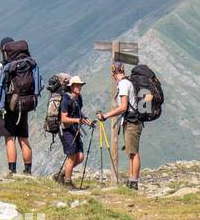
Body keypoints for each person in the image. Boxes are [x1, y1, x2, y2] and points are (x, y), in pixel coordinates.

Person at [0, 37, 37, 174]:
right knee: (23, 137)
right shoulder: (25, 64)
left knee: (9, 137)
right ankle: (28, 171)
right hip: (24, 103)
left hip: (8, 106)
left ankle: (12, 171)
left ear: (1, 50)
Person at [98, 62, 141, 190]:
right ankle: (132, 180)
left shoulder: (123, 84)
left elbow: (123, 107)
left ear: (113, 74)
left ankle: (134, 182)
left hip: (131, 122)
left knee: (133, 152)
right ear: (123, 70)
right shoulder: (127, 83)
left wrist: (105, 116)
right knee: (131, 152)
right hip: (132, 121)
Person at [55, 75, 92, 186]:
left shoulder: (78, 98)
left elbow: (78, 112)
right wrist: (78, 120)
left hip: (75, 130)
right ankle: (67, 182)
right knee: (71, 156)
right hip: (66, 130)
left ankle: (61, 175)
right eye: (77, 85)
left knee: (80, 157)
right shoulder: (66, 99)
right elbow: (63, 118)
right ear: (71, 87)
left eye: (80, 85)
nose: (79, 87)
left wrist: (86, 120)